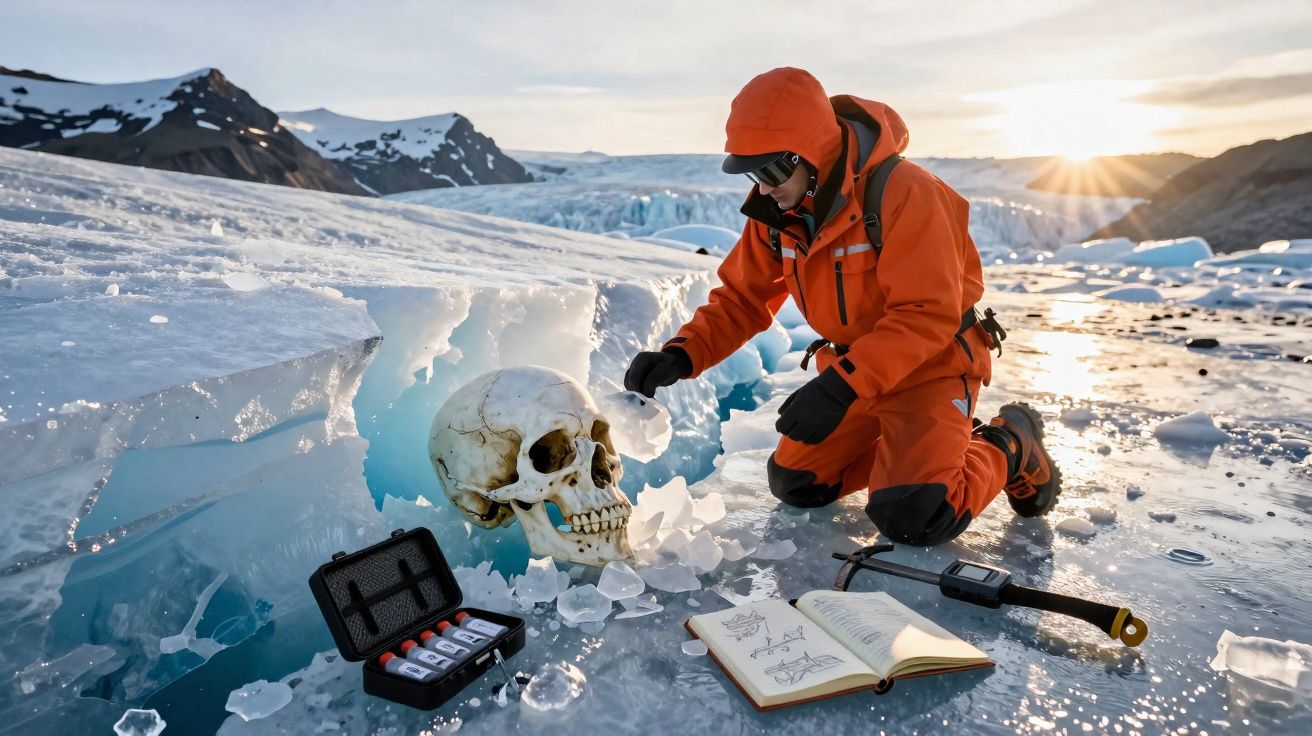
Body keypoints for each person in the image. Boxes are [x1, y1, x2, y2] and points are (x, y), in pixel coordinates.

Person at [624, 67, 1061, 546]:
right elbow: (743, 296)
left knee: (916, 514)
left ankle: (1009, 442)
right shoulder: (777, 211)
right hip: (856, 371)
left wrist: (838, 389)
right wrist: (682, 354)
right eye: (753, 172)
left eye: (772, 170)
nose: (763, 187)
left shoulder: (906, 191)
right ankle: (914, 458)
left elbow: (926, 314)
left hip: (929, 366)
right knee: (798, 484)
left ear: (811, 152)